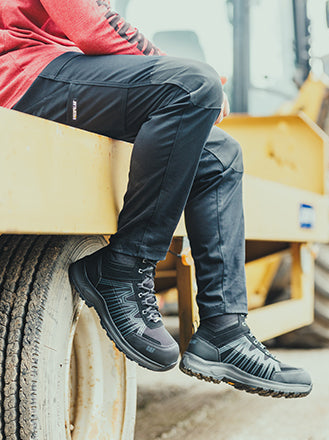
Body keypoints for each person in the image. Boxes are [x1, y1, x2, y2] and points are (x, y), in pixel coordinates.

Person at [0, 0, 312, 398]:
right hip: (23, 73)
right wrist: (192, 76)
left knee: (221, 156)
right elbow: (92, 25)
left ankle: (223, 332)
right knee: (195, 84)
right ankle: (122, 270)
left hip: (60, 68)